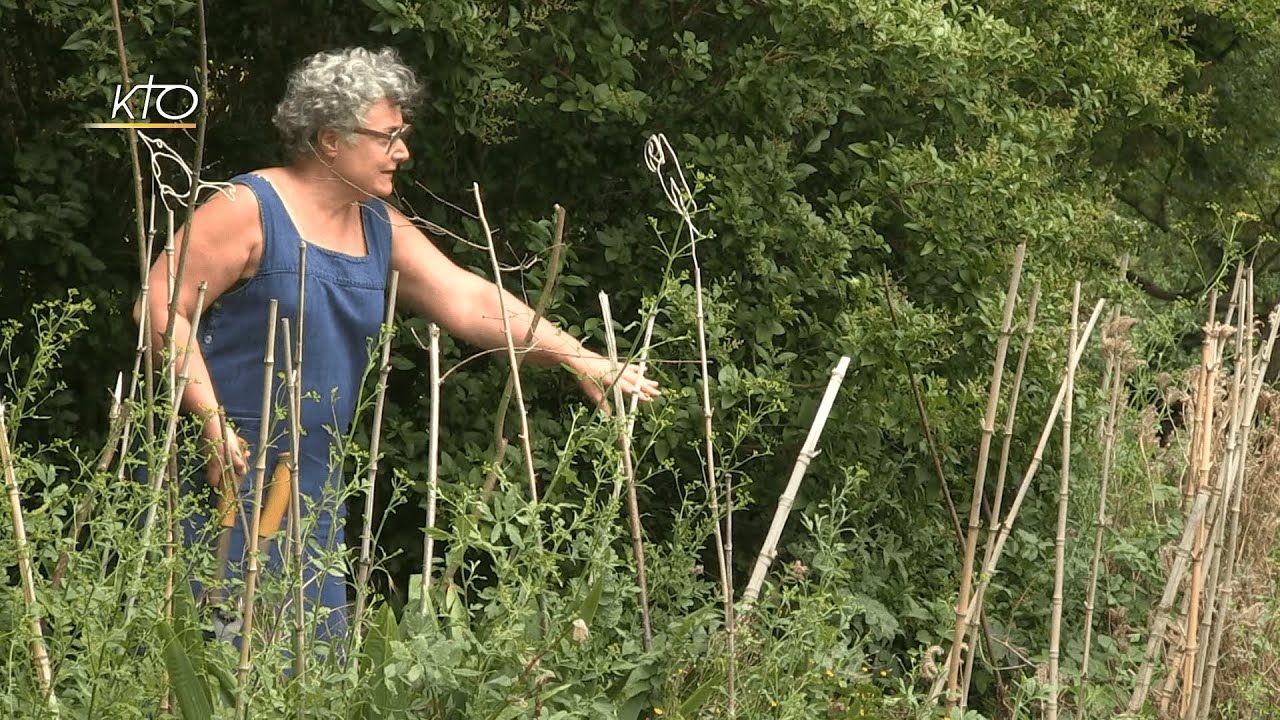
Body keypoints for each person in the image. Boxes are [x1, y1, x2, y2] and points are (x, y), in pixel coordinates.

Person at [135, 46, 660, 644]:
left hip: (315, 481)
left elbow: (467, 298)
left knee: (307, 660)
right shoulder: (247, 207)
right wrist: (210, 421)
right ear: (331, 138)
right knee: (218, 655)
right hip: (225, 471)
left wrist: (577, 355)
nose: (403, 151)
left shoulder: (378, 223)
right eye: (388, 136)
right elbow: (158, 305)